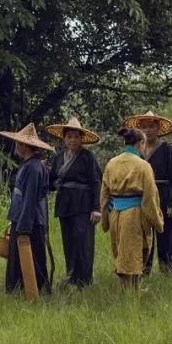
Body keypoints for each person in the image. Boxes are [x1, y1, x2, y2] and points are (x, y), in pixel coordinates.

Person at [100, 127, 164, 292]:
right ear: (141, 143)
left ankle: (132, 293)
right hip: (134, 215)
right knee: (133, 258)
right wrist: (158, 222)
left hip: (115, 214)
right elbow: (150, 197)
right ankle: (128, 296)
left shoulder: (111, 163)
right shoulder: (143, 166)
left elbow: (104, 195)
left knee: (122, 254)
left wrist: (106, 221)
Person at [123, 111, 172, 274]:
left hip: (163, 197)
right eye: (144, 127)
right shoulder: (136, 153)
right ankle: (143, 270)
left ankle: (169, 271)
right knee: (143, 236)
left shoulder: (168, 150)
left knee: (167, 236)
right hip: (141, 198)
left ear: (158, 129)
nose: (148, 130)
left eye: (151, 126)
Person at [45, 117, 102, 287]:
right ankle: (71, 276)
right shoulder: (59, 157)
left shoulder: (87, 157)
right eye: (69, 137)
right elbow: (51, 180)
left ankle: (84, 279)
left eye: (76, 137)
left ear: (81, 138)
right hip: (65, 204)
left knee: (83, 242)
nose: (73, 140)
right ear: (64, 138)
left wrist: (97, 208)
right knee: (68, 241)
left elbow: (96, 182)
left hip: (83, 205)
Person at [0, 124, 54, 296]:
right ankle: (19, 288)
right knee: (17, 256)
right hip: (24, 218)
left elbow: (30, 199)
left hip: (30, 220)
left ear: (23, 145)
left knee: (34, 256)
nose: (16, 146)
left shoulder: (33, 168)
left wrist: (24, 225)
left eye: (18, 143)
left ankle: (36, 289)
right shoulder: (30, 165)